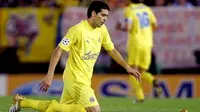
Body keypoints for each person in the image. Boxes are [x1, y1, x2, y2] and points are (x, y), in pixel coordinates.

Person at [9, 1, 141, 112]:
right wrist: (49, 75)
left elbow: (112, 50)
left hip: (84, 79)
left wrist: (127, 67)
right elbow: (58, 51)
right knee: (94, 110)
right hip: (75, 79)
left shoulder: (102, 30)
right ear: (93, 14)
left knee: (62, 109)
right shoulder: (77, 30)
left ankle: (22, 102)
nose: (105, 18)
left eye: (107, 16)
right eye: (103, 15)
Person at [116, 0, 161, 103]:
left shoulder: (129, 9)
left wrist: (120, 27)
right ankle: (153, 80)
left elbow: (128, 27)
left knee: (132, 70)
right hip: (148, 43)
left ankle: (140, 97)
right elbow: (155, 25)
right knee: (141, 71)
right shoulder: (147, 8)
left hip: (135, 43)